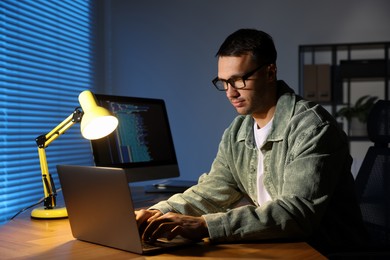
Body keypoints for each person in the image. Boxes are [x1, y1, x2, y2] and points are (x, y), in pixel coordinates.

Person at [136, 28, 367, 255]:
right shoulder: (237, 131)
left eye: (239, 80)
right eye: (224, 82)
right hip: (280, 245)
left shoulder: (313, 128)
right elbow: (212, 192)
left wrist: (205, 225)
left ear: (270, 72)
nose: (230, 92)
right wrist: (157, 212)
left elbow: (296, 214)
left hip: (322, 250)